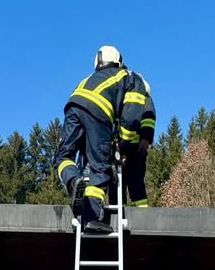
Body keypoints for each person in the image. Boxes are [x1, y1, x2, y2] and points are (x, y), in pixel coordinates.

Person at [54, 45, 148, 233]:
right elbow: (131, 116)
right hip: (99, 110)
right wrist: (125, 147)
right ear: (119, 60)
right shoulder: (130, 77)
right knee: (100, 167)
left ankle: (73, 181)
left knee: (63, 157)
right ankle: (90, 218)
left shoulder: (89, 79)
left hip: (73, 105)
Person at [120, 75, 155, 208]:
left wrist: (145, 139)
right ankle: (120, 211)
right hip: (125, 148)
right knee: (119, 184)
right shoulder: (126, 101)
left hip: (135, 150)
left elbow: (148, 120)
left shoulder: (145, 100)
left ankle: (140, 213)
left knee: (135, 182)